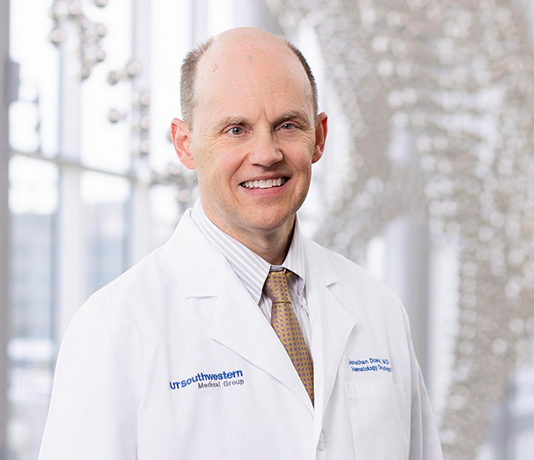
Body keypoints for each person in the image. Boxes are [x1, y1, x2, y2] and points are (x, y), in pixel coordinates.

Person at [39, 27, 443, 459]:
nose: (266, 153)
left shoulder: (377, 308)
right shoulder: (116, 327)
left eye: (287, 125)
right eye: (236, 129)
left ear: (319, 137)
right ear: (185, 144)